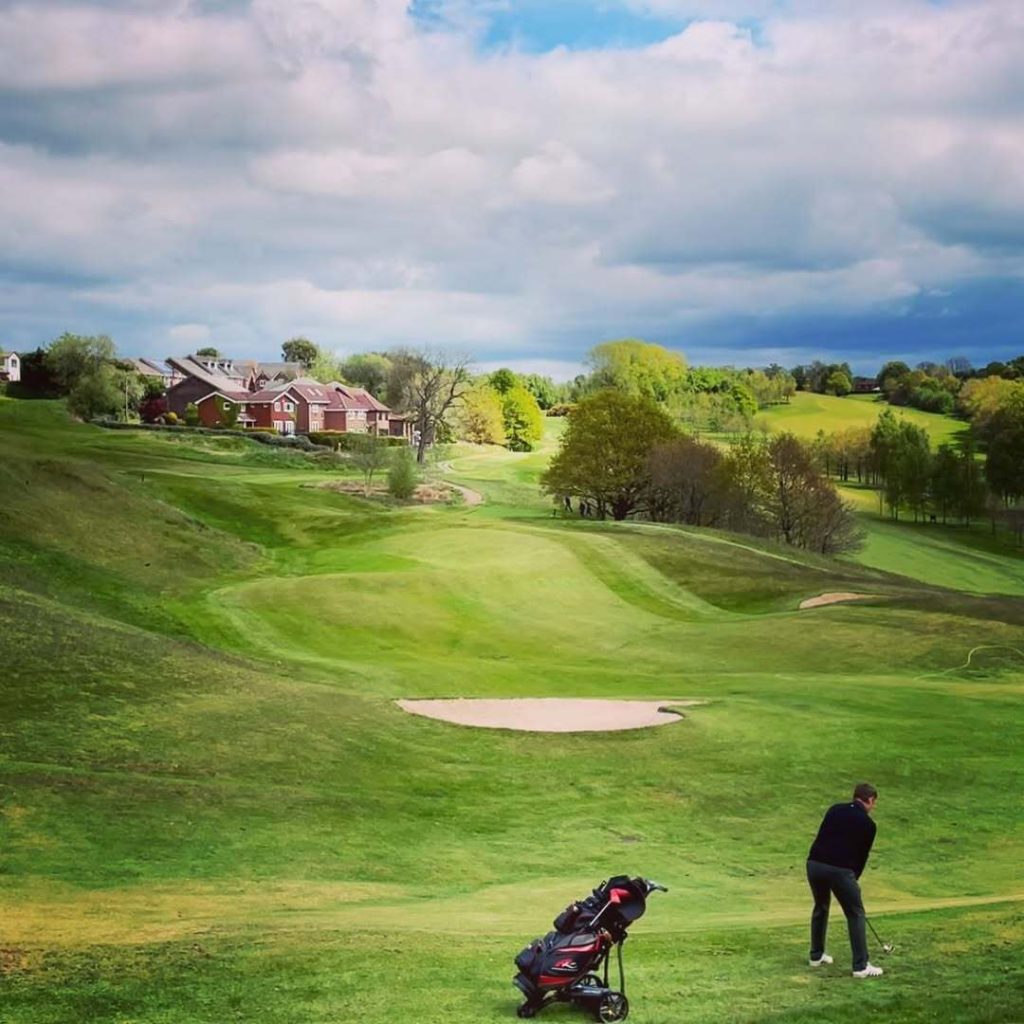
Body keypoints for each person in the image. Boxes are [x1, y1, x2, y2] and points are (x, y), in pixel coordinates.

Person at [805, 782, 882, 978]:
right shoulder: (868, 825)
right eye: (874, 804)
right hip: (840, 870)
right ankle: (860, 966)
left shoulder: (835, 810)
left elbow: (823, 836)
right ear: (870, 800)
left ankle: (816, 955)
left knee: (821, 906)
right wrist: (852, 880)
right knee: (856, 913)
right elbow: (861, 858)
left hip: (814, 864)